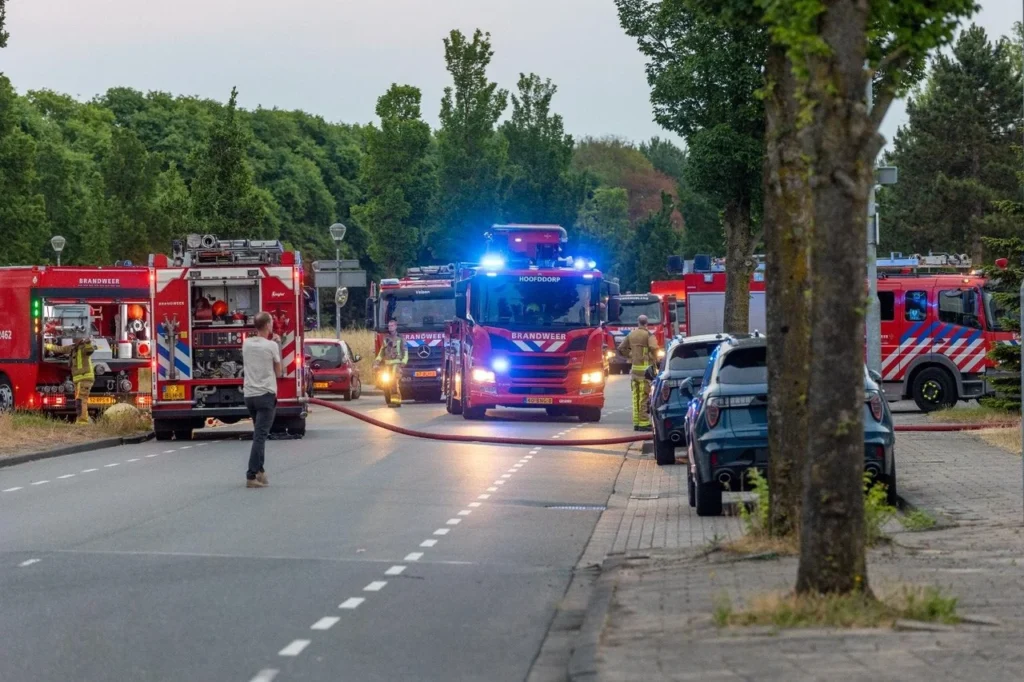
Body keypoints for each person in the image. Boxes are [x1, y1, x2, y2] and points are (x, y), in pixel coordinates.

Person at [242, 311, 281, 488]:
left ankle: (260, 471)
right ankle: (251, 475)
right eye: (271, 323)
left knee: (260, 434)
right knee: (260, 436)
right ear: (267, 326)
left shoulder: (246, 344)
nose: (272, 325)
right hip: (265, 395)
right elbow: (279, 372)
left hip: (249, 396)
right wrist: (278, 345)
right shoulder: (272, 345)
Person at [618, 314, 660, 431]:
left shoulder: (631, 334)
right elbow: (654, 348)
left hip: (634, 370)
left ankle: (636, 422)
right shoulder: (648, 335)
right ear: (646, 323)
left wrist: (630, 355)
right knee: (644, 397)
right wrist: (654, 358)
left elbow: (621, 348)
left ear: (638, 322)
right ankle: (643, 422)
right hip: (645, 371)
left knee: (635, 397)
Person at [45, 337, 96, 425]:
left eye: (75, 336)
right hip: (78, 379)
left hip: (85, 378)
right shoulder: (73, 348)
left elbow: (90, 350)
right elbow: (61, 349)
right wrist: (46, 345)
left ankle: (83, 422)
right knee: (79, 400)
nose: (72, 338)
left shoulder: (84, 347)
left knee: (81, 400)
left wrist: (88, 342)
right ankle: (83, 419)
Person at [375, 319, 408, 408]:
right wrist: (377, 362)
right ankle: (392, 400)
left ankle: (396, 402)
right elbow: (381, 352)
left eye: (392, 326)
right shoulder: (386, 339)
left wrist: (404, 362)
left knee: (393, 382)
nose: (390, 328)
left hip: (396, 365)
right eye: (389, 326)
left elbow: (405, 352)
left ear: (396, 326)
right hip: (387, 365)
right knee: (387, 383)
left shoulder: (400, 338)